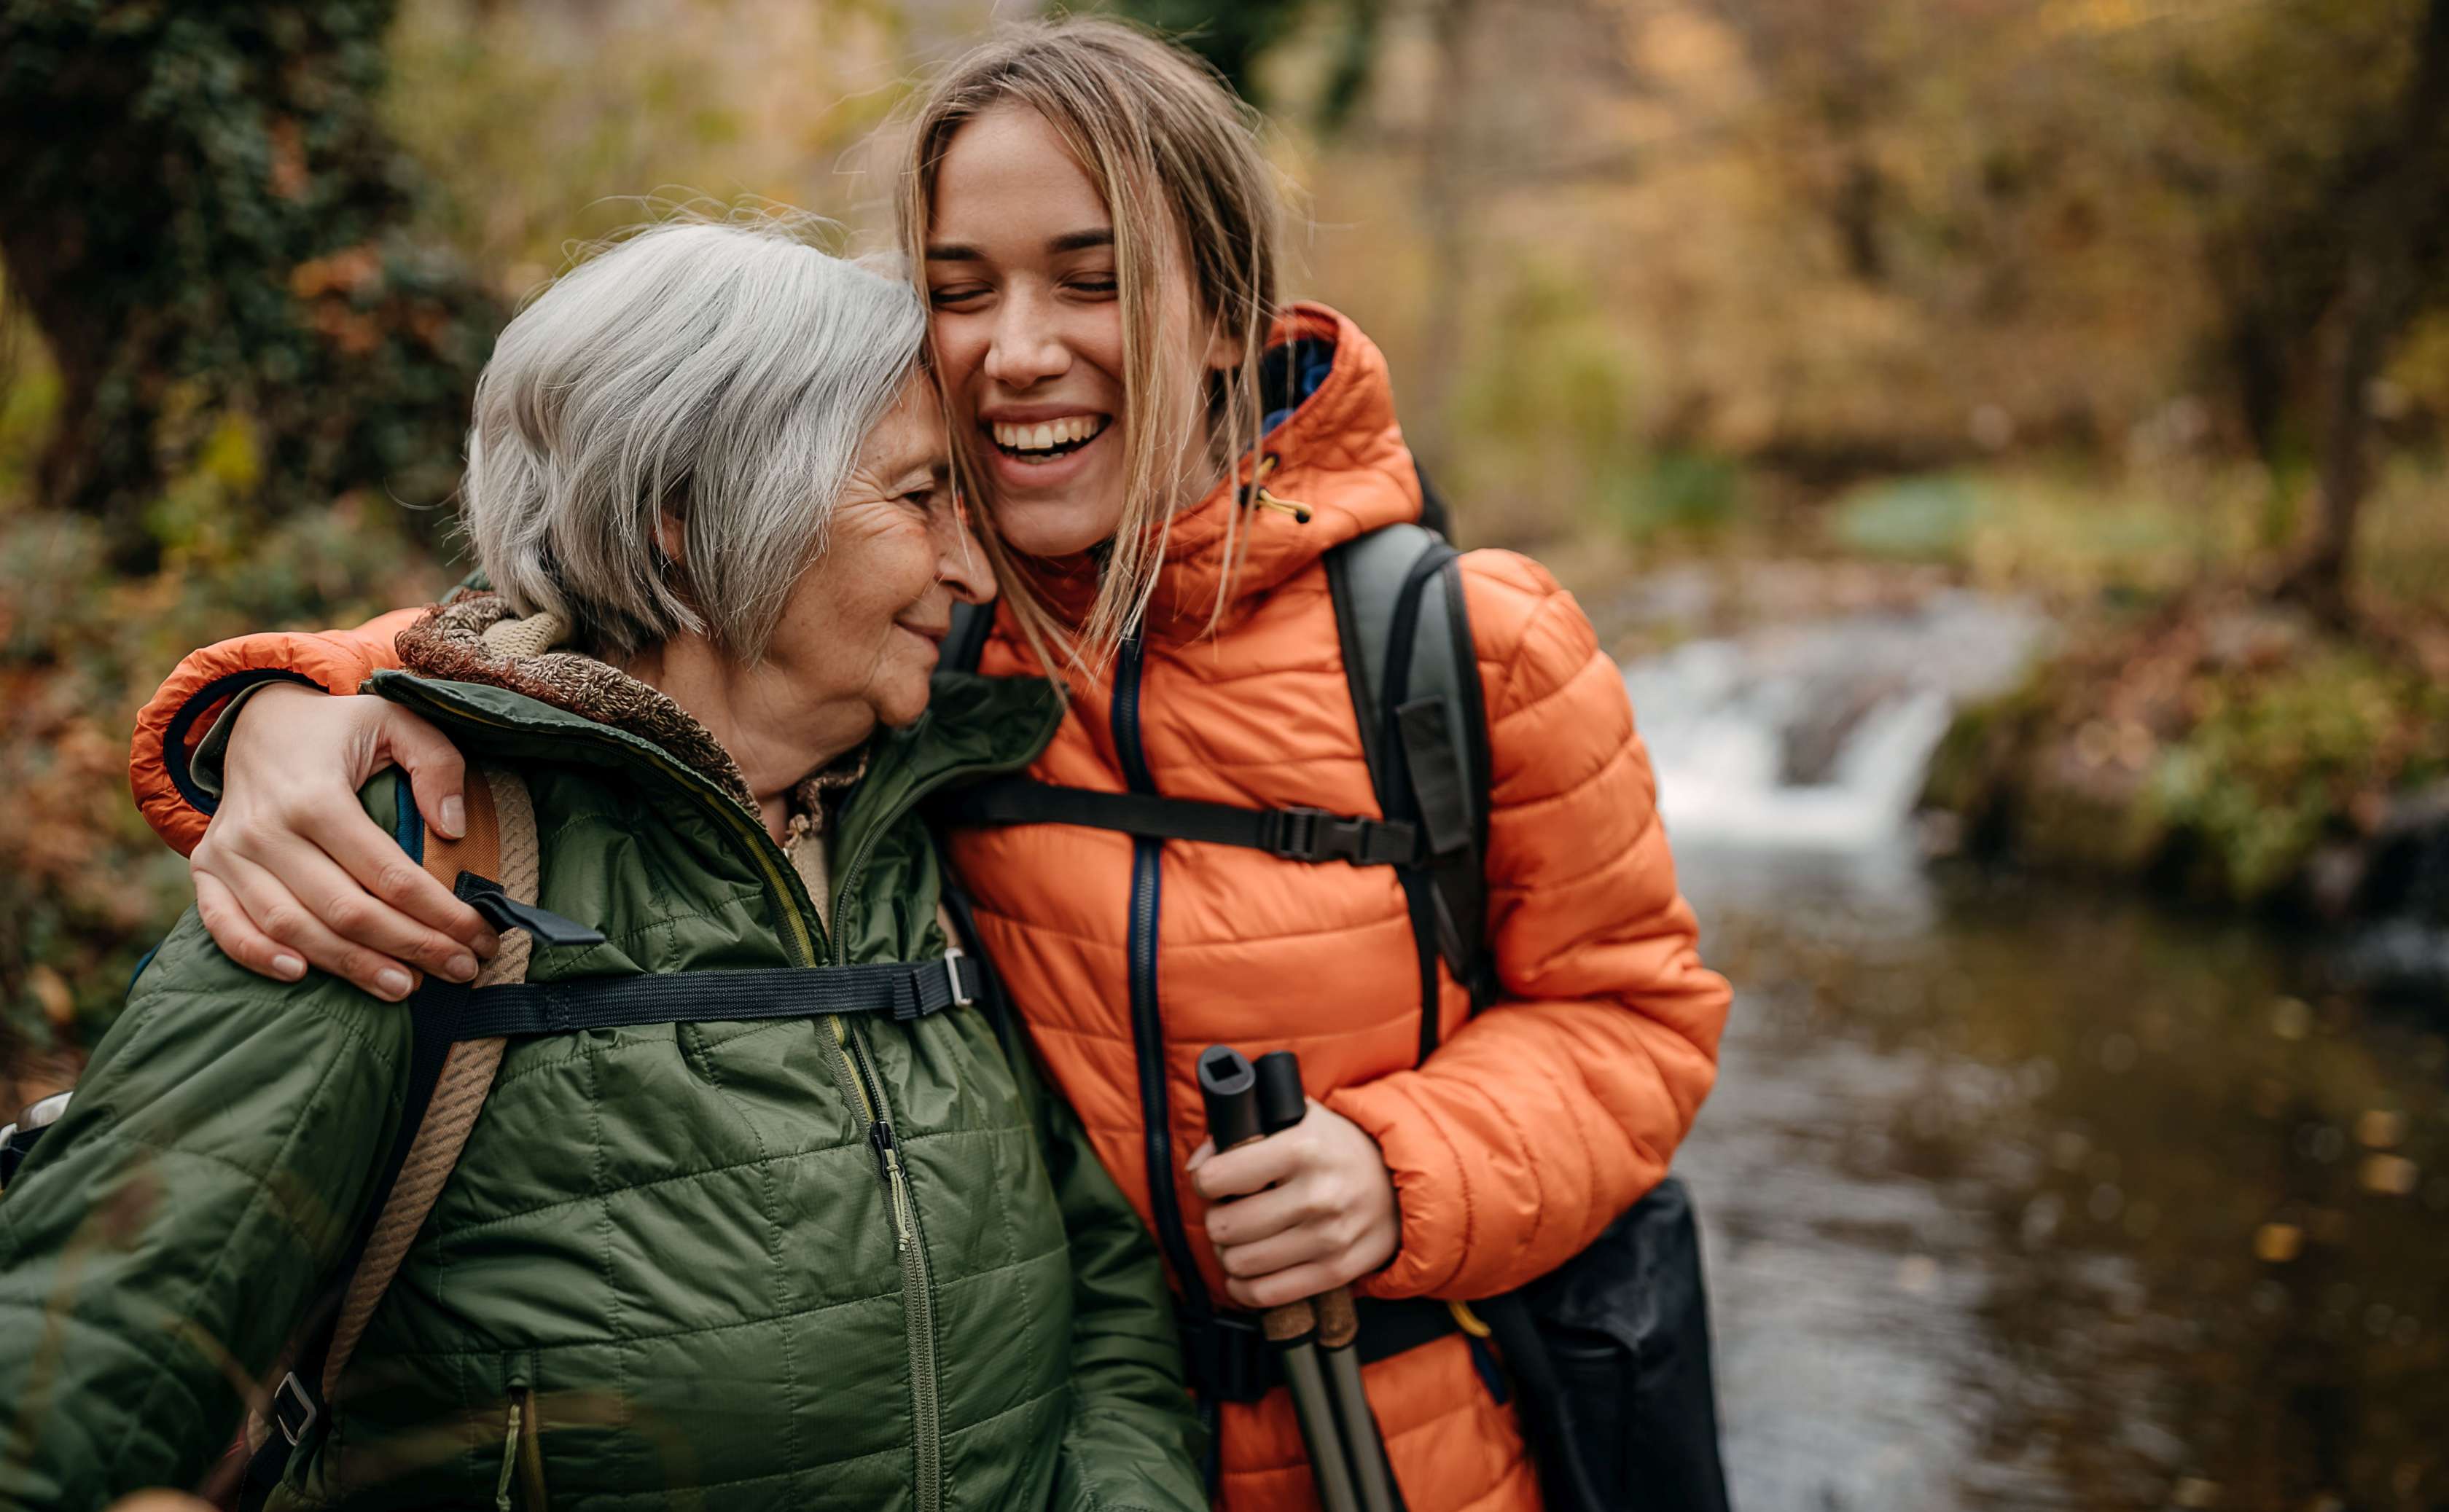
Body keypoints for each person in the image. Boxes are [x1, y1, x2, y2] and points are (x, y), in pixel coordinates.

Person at [118, 19, 1734, 1510]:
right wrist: (276, 704)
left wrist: (1405, 1169)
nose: (1015, 352)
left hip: (1403, 1450)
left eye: (1090, 281)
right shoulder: (914, 624)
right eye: (960, 289)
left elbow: (1638, 1022)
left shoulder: (1465, 645)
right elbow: (587, 625)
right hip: (1039, 1448)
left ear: (1231, 311)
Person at [1, 219, 1205, 1511]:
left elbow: (1106, 1311)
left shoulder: (928, 838)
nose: (971, 566)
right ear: (689, 517)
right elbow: (73, 1383)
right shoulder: (397, 861)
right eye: (918, 497)